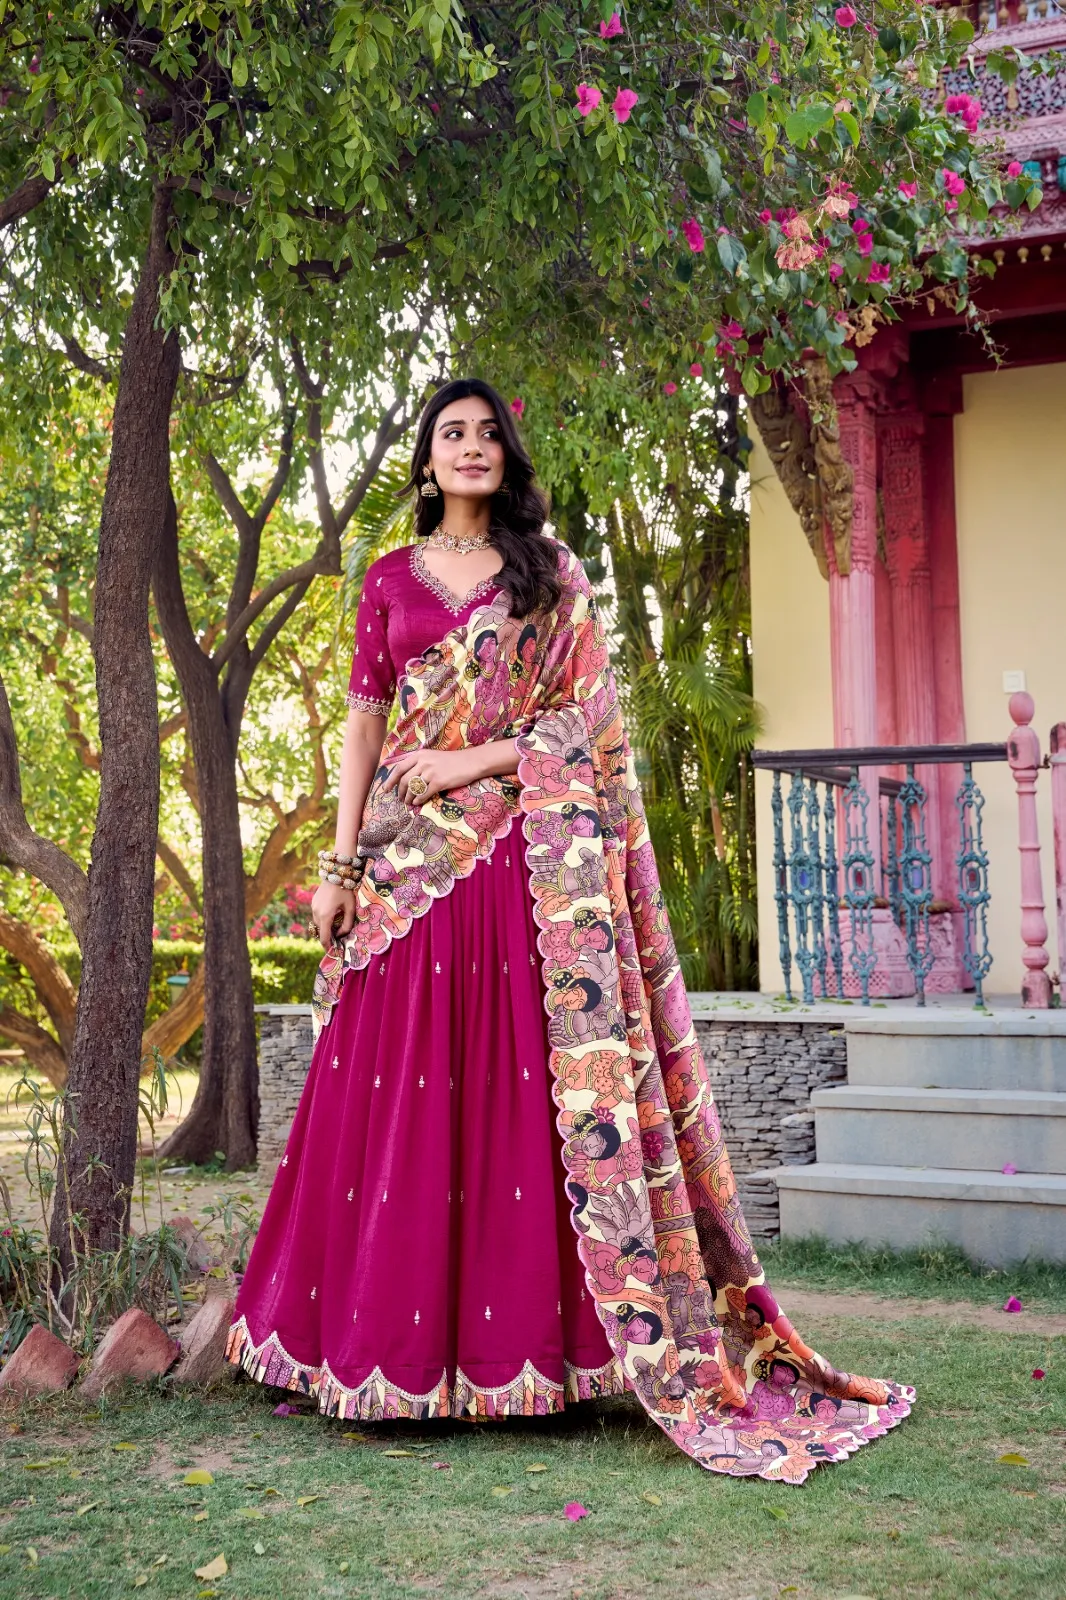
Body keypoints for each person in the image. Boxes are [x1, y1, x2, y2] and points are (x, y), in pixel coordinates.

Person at [226, 379, 914, 1482]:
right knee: (393, 1092)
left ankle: (537, 1360)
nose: (471, 447)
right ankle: (374, 1351)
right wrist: (340, 863)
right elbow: (363, 721)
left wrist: (471, 758)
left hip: (519, 864)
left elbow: (585, 725)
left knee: (512, 1096)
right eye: (451, 433)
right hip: (404, 870)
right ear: (426, 459)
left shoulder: (550, 574)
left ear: (507, 454)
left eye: (487, 433)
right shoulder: (388, 578)